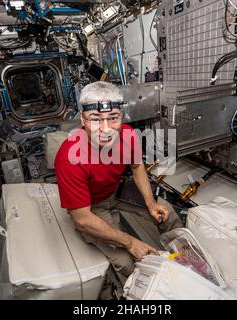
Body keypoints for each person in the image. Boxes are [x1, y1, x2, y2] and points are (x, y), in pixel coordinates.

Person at [54, 81, 183, 286]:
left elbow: (137, 167)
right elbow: (82, 219)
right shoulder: (69, 158)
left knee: (166, 212)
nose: (105, 129)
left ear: (121, 116)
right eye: (95, 119)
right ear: (82, 119)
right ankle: (143, 291)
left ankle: (185, 259)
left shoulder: (128, 134)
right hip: (92, 207)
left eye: (113, 118)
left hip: (115, 191)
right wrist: (131, 242)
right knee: (125, 262)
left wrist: (150, 203)